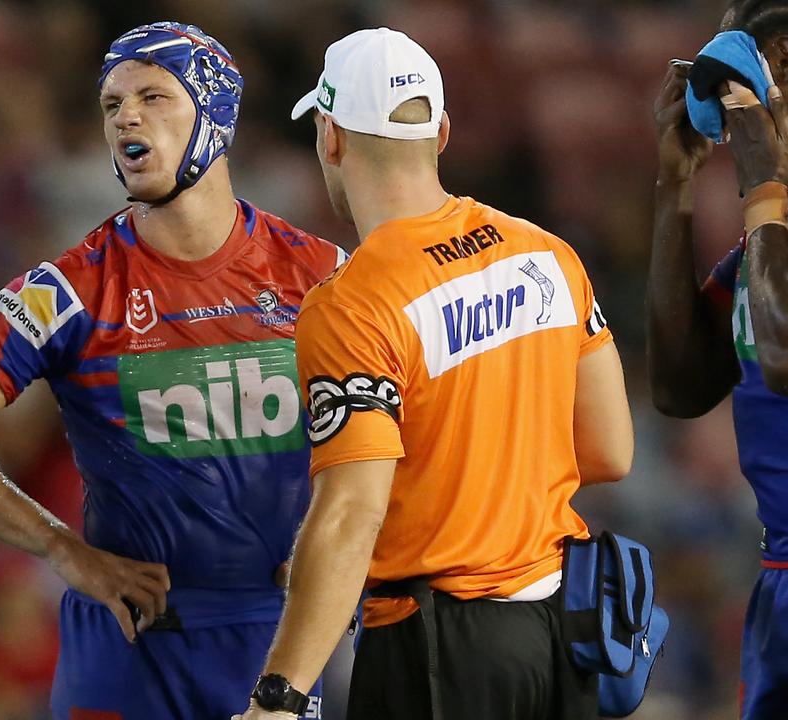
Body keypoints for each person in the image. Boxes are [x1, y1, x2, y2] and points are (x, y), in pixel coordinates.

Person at [0, 21, 346, 720]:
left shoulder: (323, 276)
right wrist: (56, 545)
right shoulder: (69, 289)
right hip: (125, 642)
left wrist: (361, 544)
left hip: (280, 634)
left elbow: (421, 423)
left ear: (216, 115)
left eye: (155, 96)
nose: (126, 114)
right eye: (112, 103)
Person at [236, 28, 633, 720]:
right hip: (565, 640)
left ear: (330, 137)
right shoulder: (548, 253)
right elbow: (610, 450)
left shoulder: (353, 303)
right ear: (441, 131)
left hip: (438, 650)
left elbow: (351, 514)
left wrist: (281, 696)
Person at [649, 3, 788, 717]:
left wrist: (762, 191)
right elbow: (682, 383)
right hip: (787, 579)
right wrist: (675, 187)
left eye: (731, 52)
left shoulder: (783, 207)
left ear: (782, 60)